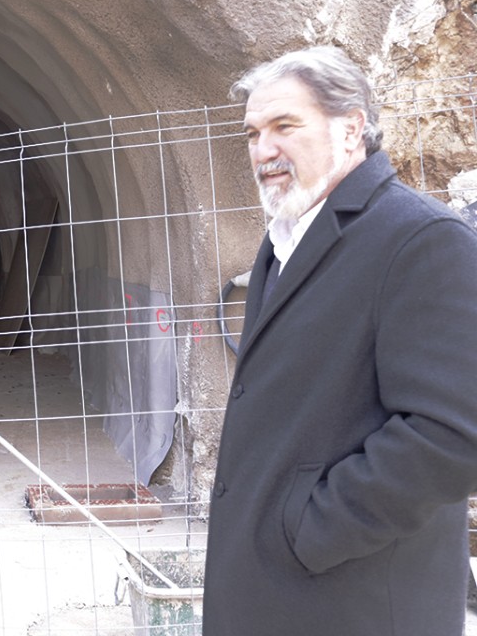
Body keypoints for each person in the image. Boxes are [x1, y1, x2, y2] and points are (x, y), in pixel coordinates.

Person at [203, 46, 477, 635]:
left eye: (285, 126)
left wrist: (313, 528)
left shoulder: (421, 239)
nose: (263, 150)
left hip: (354, 600)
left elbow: (452, 433)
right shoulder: (286, 237)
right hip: (282, 593)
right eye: (252, 133)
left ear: (351, 129)